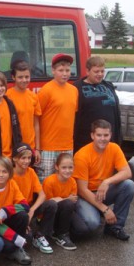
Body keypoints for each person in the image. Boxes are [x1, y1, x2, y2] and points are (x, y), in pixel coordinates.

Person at [72, 119, 134, 241]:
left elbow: (127, 172)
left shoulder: (114, 148)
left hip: (103, 191)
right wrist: (105, 209)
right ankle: (86, 213)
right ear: (92, 136)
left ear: (110, 135)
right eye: (99, 135)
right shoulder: (82, 155)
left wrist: (107, 182)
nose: (103, 139)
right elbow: (82, 190)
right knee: (92, 223)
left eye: (106, 135)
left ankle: (115, 227)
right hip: (86, 196)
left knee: (129, 185)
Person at [0, 156, 32, 265]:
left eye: (4, 171)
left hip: (6, 220)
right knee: (8, 245)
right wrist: (15, 238)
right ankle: (14, 247)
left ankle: (17, 250)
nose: (1, 174)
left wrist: (4, 211)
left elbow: (25, 206)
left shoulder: (11, 183)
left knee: (23, 216)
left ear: (10, 173)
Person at [36, 53, 78, 182]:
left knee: (64, 182)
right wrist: (38, 147)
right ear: (53, 71)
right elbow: (36, 118)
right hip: (48, 146)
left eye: (67, 70)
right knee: (46, 183)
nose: (64, 74)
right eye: (60, 70)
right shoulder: (46, 90)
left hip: (67, 146)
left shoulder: (73, 90)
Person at [11, 143, 55, 254]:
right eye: (23, 158)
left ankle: (40, 235)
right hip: (16, 210)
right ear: (15, 159)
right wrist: (25, 216)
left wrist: (32, 210)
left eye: (29, 158)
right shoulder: (10, 175)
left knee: (51, 204)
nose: (26, 161)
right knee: (27, 238)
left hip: (29, 206)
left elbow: (42, 195)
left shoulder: (30, 172)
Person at [73, 56, 121, 152]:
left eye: (102, 71)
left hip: (108, 139)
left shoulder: (108, 86)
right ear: (87, 71)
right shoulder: (77, 88)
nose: (100, 74)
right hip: (85, 141)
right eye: (96, 71)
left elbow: (116, 112)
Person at [6, 60, 42, 165]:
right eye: (20, 77)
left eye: (27, 77)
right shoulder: (8, 96)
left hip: (30, 149)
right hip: (14, 148)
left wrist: (37, 149)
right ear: (13, 77)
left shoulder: (33, 97)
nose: (24, 80)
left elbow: (36, 124)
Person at [42, 153, 78, 250]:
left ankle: (60, 231)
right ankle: (61, 234)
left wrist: (61, 199)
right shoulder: (49, 181)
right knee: (66, 203)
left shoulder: (73, 181)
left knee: (81, 230)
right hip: (48, 215)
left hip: (64, 211)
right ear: (57, 167)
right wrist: (66, 199)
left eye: (70, 167)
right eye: (64, 167)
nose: (67, 171)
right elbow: (49, 203)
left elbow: (73, 200)